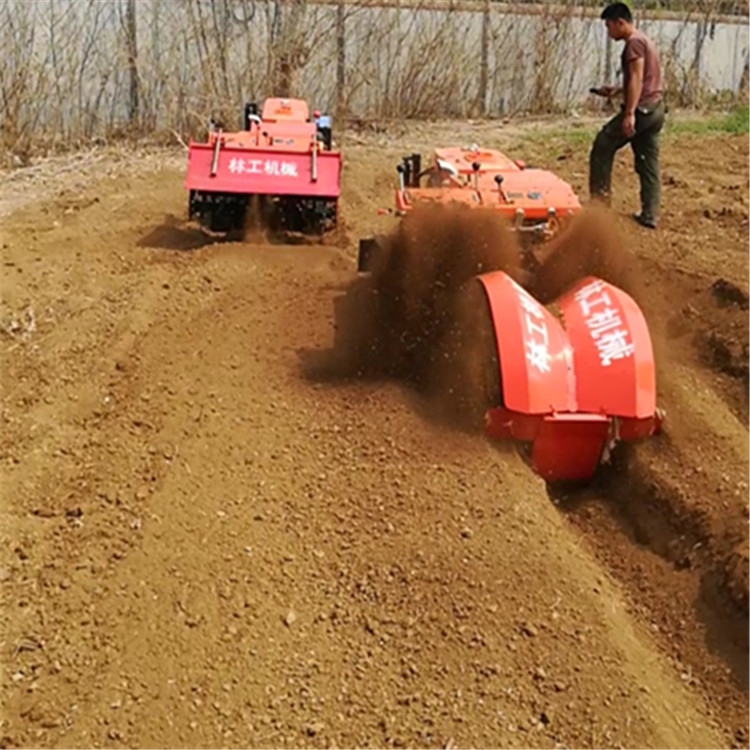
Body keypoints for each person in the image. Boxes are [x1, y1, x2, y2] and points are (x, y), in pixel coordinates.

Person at [589, 2, 666, 229]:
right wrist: (617, 90)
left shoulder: (633, 44)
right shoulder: (644, 40)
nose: (608, 31)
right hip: (656, 109)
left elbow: (637, 78)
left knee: (603, 145)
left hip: (641, 110)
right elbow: (646, 79)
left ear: (620, 23)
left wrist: (629, 113)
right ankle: (650, 214)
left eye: (609, 26)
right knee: (647, 162)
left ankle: (599, 209)